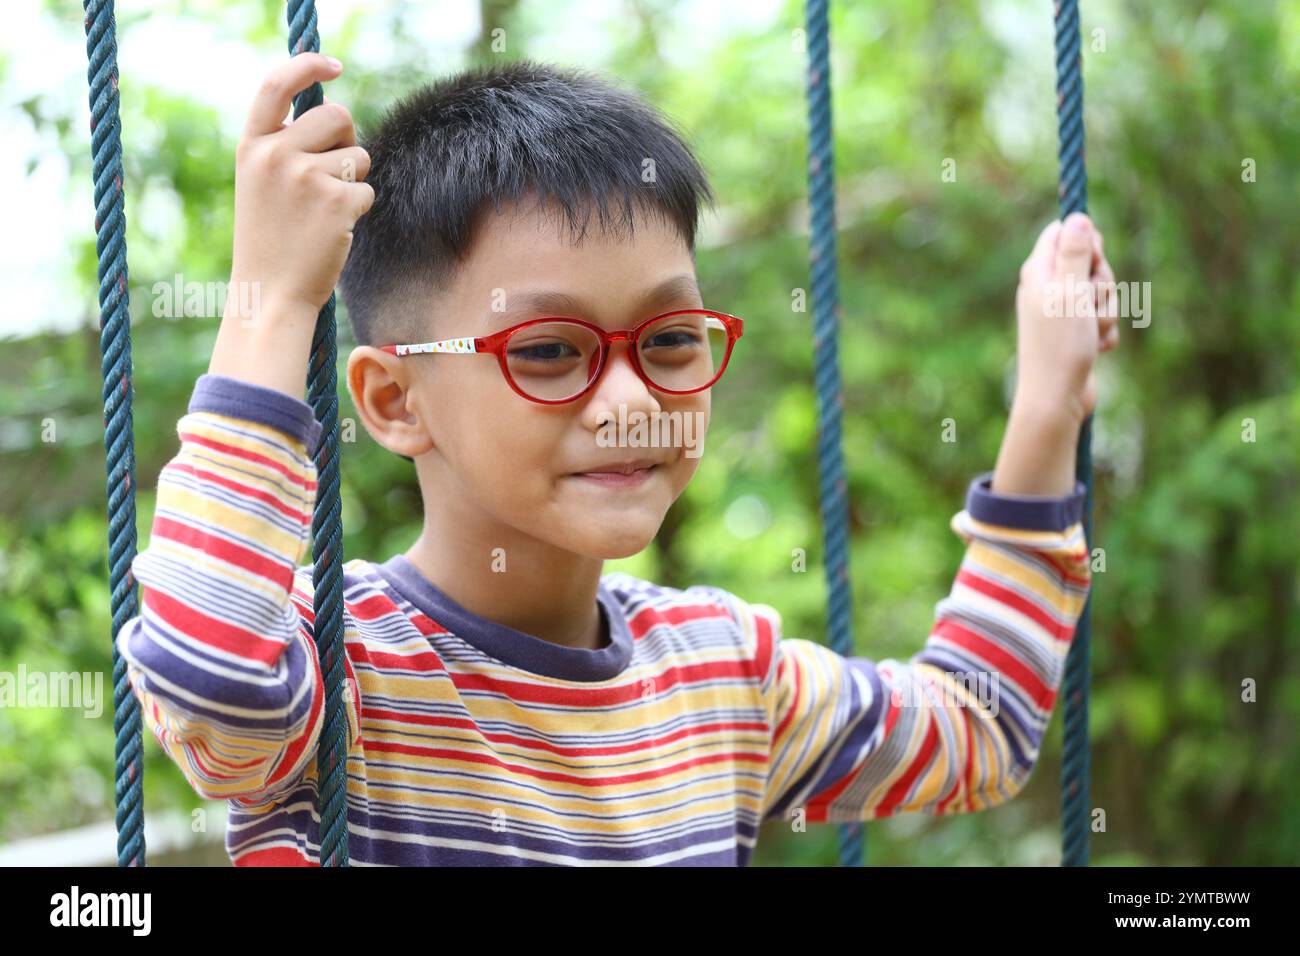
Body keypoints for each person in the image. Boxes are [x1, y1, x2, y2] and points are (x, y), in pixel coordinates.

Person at [117, 52, 1119, 865]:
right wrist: (272, 300)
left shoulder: (722, 676)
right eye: (550, 350)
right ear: (393, 398)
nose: (634, 400)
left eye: (671, 339)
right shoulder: (341, 674)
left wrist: (1043, 411)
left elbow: (974, 730)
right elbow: (211, 687)